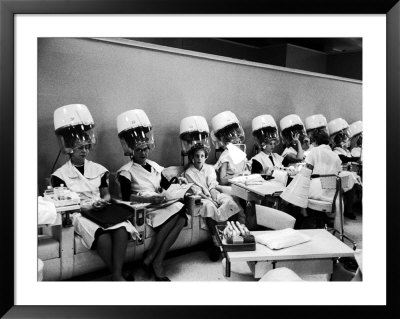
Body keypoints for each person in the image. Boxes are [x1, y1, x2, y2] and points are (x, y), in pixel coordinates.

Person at [51, 104, 136, 281]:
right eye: (80, 147)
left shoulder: (99, 169)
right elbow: (65, 204)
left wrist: (103, 201)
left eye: (87, 146)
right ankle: (118, 275)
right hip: (79, 213)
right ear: (69, 148)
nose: (85, 151)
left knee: (121, 230)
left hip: (101, 208)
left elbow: (105, 194)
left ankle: (116, 274)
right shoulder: (59, 175)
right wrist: (85, 207)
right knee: (103, 236)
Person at [116, 109, 187, 281]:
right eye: (139, 149)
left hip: (161, 203)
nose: (144, 153)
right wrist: (147, 198)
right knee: (180, 214)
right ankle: (156, 262)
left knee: (182, 215)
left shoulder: (155, 165)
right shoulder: (126, 172)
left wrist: (179, 182)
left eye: (146, 148)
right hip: (145, 208)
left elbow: (166, 185)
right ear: (131, 149)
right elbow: (126, 198)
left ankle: (153, 257)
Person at [328, 118, 362, 220]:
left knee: (352, 180)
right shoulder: (335, 151)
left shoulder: (344, 150)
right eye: (342, 137)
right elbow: (344, 159)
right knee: (352, 181)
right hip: (333, 179)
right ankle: (349, 210)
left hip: (343, 176)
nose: (345, 139)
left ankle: (350, 209)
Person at [210, 111, 250, 186]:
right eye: (233, 136)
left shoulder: (241, 153)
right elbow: (222, 180)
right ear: (225, 139)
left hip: (244, 184)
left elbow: (246, 171)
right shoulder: (225, 156)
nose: (237, 138)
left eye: (237, 134)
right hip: (232, 187)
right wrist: (237, 176)